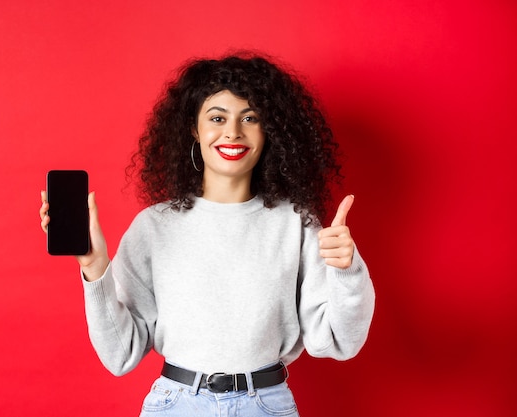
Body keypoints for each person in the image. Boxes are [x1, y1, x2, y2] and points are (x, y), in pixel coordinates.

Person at [39, 52, 375, 417]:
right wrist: (94, 266)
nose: (233, 132)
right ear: (194, 129)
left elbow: (339, 342)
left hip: (266, 405)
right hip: (176, 405)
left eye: (250, 118)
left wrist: (347, 271)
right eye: (217, 118)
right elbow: (121, 355)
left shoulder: (296, 224)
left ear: (269, 132)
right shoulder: (154, 226)